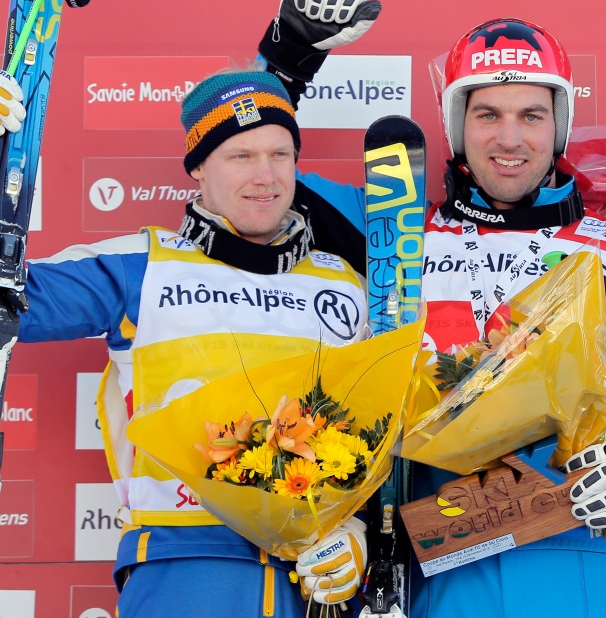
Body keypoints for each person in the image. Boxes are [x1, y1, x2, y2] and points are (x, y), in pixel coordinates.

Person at [257, 2, 606, 617]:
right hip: (428, 572)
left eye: (532, 115)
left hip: (580, 567)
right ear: (457, 124)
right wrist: (285, 59)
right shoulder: (391, 228)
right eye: (486, 112)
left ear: (559, 127)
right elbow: (252, 172)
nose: (509, 138)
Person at [16, 69, 375, 616]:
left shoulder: (347, 283)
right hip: (185, 563)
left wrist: (356, 528)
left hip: (317, 577)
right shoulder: (141, 266)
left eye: (281, 155)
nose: (266, 175)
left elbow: (378, 425)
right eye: (241, 156)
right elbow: (13, 298)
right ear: (198, 168)